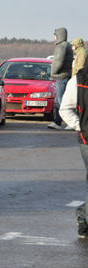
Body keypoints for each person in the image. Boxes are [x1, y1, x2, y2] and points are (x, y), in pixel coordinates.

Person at [59, 61, 88, 239]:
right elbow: (65, 109)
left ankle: (83, 217)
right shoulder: (77, 81)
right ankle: (83, 219)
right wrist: (80, 127)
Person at [48, 27, 73, 130]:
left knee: (61, 101)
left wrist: (53, 72)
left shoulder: (61, 46)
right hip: (65, 75)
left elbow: (58, 61)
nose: (54, 37)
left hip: (61, 76)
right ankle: (58, 122)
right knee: (60, 100)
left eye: (55, 35)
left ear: (58, 35)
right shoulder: (67, 45)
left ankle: (70, 122)